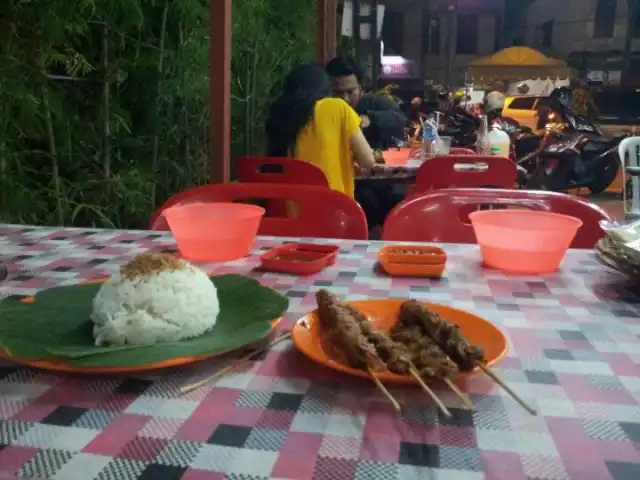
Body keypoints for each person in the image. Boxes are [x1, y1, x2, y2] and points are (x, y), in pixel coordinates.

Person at [265, 62, 375, 200]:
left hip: (289, 212)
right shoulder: (337, 107)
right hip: (334, 210)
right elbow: (368, 161)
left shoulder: (281, 116)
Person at [325, 57, 406, 149]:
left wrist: (371, 118)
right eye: (337, 93)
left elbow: (400, 119)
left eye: (350, 92)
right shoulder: (322, 110)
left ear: (360, 88)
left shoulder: (374, 102)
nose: (345, 99)